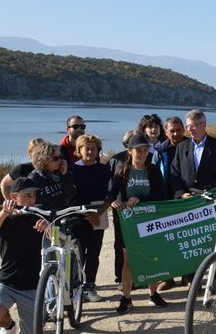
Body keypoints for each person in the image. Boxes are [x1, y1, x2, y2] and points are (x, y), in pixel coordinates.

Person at [109, 133, 167, 314]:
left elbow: (161, 196)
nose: (142, 154)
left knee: (151, 257)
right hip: (126, 223)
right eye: (138, 150)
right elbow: (112, 194)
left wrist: (140, 198)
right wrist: (115, 201)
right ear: (129, 151)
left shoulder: (153, 170)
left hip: (149, 220)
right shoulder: (121, 170)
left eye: (145, 150)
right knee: (128, 261)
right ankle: (126, 298)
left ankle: (153, 294)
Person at [0, 178, 48, 334]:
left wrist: (48, 227)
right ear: (13, 197)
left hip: (33, 287)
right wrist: (5, 212)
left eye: (34, 195)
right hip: (7, 282)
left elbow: (58, 239)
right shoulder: (3, 217)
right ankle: (10, 326)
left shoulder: (40, 213)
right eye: (27, 195)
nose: (32, 199)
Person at [70, 134, 110, 302]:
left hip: (99, 215)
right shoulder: (72, 170)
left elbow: (111, 194)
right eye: (86, 148)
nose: (90, 151)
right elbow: (70, 195)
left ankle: (89, 286)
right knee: (78, 253)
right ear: (79, 150)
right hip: (78, 218)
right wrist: (87, 214)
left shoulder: (104, 169)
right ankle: (76, 287)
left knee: (94, 254)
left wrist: (98, 214)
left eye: (93, 149)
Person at [171, 109, 216, 199]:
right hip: (186, 200)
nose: (189, 129)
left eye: (193, 126)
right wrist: (181, 194)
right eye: (187, 126)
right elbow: (174, 173)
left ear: (204, 125)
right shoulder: (181, 147)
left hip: (211, 200)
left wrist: (210, 193)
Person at [108, 130, 136, 287]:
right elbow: (109, 186)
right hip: (120, 208)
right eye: (130, 143)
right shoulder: (116, 160)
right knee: (120, 244)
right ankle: (120, 277)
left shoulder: (148, 160)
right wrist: (113, 201)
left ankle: (140, 276)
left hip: (140, 209)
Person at [28, 141, 77, 211]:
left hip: (63, 215)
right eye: (56, 158)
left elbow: (71, 195)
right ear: (44, 159)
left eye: (61, 157)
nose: (60, 161)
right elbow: (29, 202)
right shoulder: (35, 178)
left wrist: (65, 176)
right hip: (45, 217)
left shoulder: (62, 173)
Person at [152, 116, 186, 198]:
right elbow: (153, 177)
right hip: (167, 197)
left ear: (183, 130)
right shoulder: (160, 153)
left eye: (178, 130)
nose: (176, 133)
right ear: (166, 132)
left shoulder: (193, 148)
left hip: (188, 196)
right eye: (172, 131)